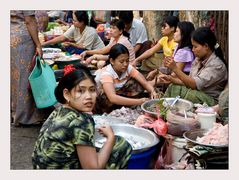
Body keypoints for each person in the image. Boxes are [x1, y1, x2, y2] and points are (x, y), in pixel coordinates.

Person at [32, 63, 132, 169]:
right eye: (80, 91)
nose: (88, 97)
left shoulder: (59, 110)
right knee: (121, 145)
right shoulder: (82, 122)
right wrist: (110, 137)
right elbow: (93, 169)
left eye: (92, 90)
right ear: (66, 94)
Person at [160, 27, 228, 106]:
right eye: (192, 46)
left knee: (191, 95)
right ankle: (162, 108)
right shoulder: (198, 59)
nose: (193, 49)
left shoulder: (217, 65)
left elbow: (193, 84)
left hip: (212, 101)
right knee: (174, 87)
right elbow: (189, 81)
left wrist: (175, 69)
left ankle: (177, 113)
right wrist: (172, 79)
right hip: (197, 92)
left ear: (206, 46)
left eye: (195, 47)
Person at [10, 10, 51, 125]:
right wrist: (38, 44)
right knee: (24, 78)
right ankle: (24, 117)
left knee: (13, 78)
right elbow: (29, 20)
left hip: (10, 36)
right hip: (22, 40)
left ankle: (14, 112)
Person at [94, 44, 158, 114]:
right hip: (106, 102)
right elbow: (112, 98)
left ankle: (127, 104)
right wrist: (139, 101)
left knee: (136, 82)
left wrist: (153, 91)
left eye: (127, 61)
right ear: (112, 61)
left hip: (120, 94)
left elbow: (144, 83)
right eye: (121, 62)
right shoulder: (106, 73)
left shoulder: (128, 68)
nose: (125, 64)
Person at [147, 21, 195, 86]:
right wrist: (156, 71)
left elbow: (174, 75)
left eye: (176, 31)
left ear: (183, 34)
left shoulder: (184, 52)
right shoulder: (178, 47)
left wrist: (150, 84)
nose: (174, 34)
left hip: (182, 81)